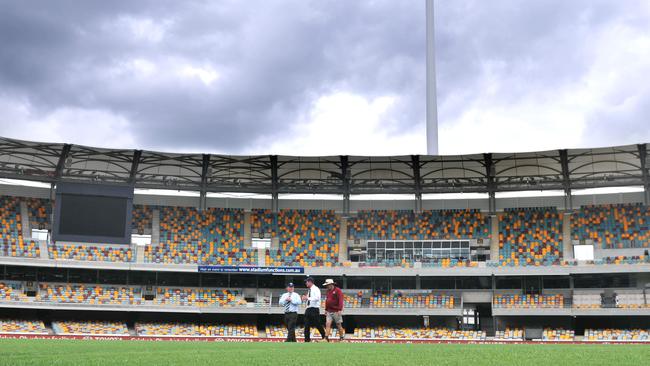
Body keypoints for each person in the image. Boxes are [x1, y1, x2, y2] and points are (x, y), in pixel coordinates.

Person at [301, 277, 328, 342]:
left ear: (310, 282)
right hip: (308, 308)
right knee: (306, 324)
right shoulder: (309, 290)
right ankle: (307, 340)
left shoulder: (316, 289)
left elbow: (317, 298)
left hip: (314, 308)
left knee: (317, 324)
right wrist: (305, 298)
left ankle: (324, 337)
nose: (306, 283)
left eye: (306, 282)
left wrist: (308, 298)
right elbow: (309, 298)